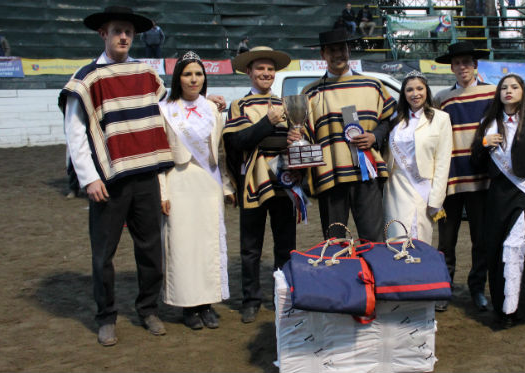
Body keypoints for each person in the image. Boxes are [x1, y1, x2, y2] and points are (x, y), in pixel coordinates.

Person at [59, 6, 174, 346]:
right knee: (103, 254)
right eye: (117, 31)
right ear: (103, 35)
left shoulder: (146, 73)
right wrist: (89, 178)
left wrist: (207, 103)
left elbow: (166, 113)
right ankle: (106, 316)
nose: (124, 37)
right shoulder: (86, 79)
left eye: (128, 32)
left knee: (152, 250)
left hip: (146, 177)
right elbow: (76, 133)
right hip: (108, 182)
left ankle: (148, 309)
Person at [470, 73, 525, 328]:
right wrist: (484, 144)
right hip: (497, 196)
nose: (509, 91)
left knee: (520, 250)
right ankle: (501, 308)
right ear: (498, 93)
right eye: (504, 87)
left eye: (514, 87)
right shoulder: (488, 123)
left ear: (522, 92)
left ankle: (519, 310)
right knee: (497, 252)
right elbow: (475, 161)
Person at [292, 28, 396, 242]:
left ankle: (372, 276)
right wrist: (295, 138)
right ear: (323, 55)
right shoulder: (310, 93)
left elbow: (387, 120)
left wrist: (374, 136)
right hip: (330, 176)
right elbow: (304, 135)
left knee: (373, 239)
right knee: (334, 241)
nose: (338, 54)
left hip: (366, 175)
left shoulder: (373, 85)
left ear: (349, 50)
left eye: (342, 48)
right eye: (332, 50)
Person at [157, 51, 234, 330]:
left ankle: (207, 303)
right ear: (178, 77)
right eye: (187, 74)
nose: (194, 79)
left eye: (198, 74)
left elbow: (221, 153)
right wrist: (162, 192)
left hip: (207, 183)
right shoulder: (166, 109)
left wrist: (225, 186)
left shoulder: (213, 109)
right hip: (178, 181)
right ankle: (187, 307)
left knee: (208, 245)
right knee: (182, 246)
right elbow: (158, 155)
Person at [223, 46, 297, 324]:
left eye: (269, 69)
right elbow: (238, 142)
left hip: (284, 182)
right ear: (249, 72)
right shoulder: (238, 106)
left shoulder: (287, 104)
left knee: (285, 243)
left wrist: (295, 140)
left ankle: (283, 296)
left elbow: (292, 139)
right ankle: (251, 299)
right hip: (252, 182)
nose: (265, 73)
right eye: (260, 69)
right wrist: (268, 123)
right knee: (251, 246)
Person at [432, 41, 496, 312]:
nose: (462, 68)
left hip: (481, 180)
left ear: (475, 65)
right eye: (457, 63)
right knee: (446, 240)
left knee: (481, 239)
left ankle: (477, 288)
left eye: (467, 62)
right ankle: (444, 288)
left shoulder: (492, 94)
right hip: (451, 181)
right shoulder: (442, 99)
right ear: (452, 67)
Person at [383, 71, 452, 244]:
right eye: (409, 90)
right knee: (396, 238)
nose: (415, 94)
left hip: (423, 188)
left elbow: (443, 162)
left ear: (427, 90)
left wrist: (436, 198)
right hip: (396, 188)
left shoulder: (441, 119)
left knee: (419, 238)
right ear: (403, 94)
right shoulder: (394, 118)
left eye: (420, 88)